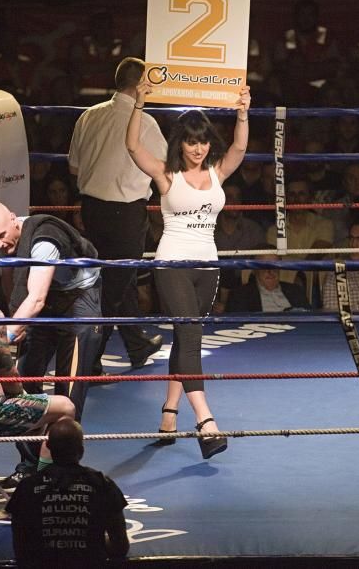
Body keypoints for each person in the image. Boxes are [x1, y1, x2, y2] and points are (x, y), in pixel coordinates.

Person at [126, 79, 251, 459]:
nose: (198, 149)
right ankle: (206, 422)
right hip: (172, 263)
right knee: (191, 333)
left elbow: (241, 146)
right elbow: (133, 146)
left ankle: (168, 414)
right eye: (191, 142)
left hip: (207, 265)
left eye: (204, 142)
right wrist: (139, 103)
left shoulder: (217, 172)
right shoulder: (166, 175)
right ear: (180, 142)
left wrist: (243, 111)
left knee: (185, 337)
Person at [0, 201, 102, 484]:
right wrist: (15, 321)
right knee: (21, 384)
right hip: (42, 302)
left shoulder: (44, 239)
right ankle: (31, 467)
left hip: (77, 302)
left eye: (0, 235)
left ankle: (56, 475)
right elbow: (17, 286)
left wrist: (0, 341)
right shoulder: (5, 241)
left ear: (13, 219)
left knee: (67, 397)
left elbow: (36, 298)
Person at [67, 56, 166, 376]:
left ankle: (137, 343)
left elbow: (74, 167)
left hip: (91, 211)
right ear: (140, 86)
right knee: (114, 285)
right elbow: (165, 171)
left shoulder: (88, 116)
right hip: (125, 214)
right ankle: (90, 359)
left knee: (113, 280)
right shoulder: (146, 124)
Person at [6, 418, 128, 568]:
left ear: (49, 448)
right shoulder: (102, 485)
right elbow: (120, 546)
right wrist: (93, 548)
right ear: (81, 450)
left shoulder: (27, 487)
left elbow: (20, 549)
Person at [225, 248, 310, 313]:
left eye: (274, 265)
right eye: (264, 266)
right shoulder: (240, 295)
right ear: (255, 270)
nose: (270, 271)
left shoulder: (295, 290)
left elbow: (309, 317)